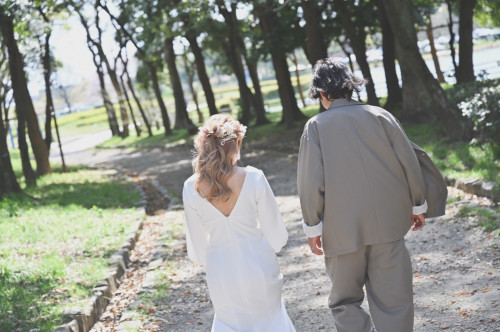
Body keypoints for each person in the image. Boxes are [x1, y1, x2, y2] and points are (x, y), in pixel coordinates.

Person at [297, 59, 444, 332]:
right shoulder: (380, 116)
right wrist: (417, 205)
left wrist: (313, 226)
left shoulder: (315, 127)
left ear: (320, 91)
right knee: (395, 299)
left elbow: (310, 182)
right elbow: (409, 162)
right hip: (388, 222)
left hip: (340, 230)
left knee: (345, 299)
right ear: (350, 86)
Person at [183, 114, 296, 332]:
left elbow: (197, 250)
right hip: (259, 265)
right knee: (272, 321)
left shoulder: (191, 187)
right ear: (236, 144)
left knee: (230, 324)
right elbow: (277, 237)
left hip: (221, 271)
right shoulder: (254, 177)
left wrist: (218, 258)